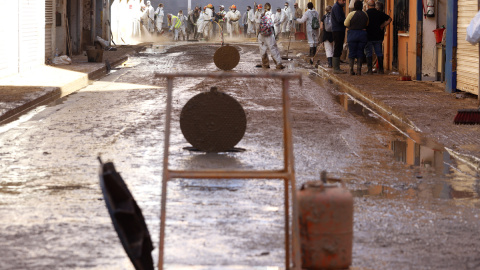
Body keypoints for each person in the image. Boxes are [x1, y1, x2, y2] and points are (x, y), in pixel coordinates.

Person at [365, 0, 391, 74]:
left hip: (368, 36)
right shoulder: (379, 13)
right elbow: (389, 19)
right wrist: (383, 25)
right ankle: (381, 69)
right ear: (374, 6)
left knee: (368, 53)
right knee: (379, 53)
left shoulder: (366, 14)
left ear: (368, 6)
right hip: (378, 36)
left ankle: (369, 70)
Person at [344, 1, 369, 75]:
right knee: (360, 52)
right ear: (361, 6)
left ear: (354, 6)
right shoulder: (365, 14)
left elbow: (345, 23)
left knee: (351, 52)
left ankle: (351, 70)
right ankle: (359, 71)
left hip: (352, 34)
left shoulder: (351, 14)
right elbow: (367, 24)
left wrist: (351, 27)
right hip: (362, 35)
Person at [258, 2, 285, 69]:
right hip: (269, 35)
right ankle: (278, 64)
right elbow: (276, 22)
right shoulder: (272, 15)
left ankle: (265, 64)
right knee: (273, 48)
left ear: (264, 8)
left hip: (261, 35)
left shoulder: (261, 15)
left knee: (262, 49)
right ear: (270, 8)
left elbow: (259, 24)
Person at [331, 0, 347, 73]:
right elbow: (339, 19)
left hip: (339, 30)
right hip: (337, 30)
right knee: (338, 47)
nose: (344, 2)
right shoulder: (336, 7)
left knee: (339, 47)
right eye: (343, 0)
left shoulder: (339, 7)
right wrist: (347, 20)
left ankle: (337, 67)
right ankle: (336, 68)